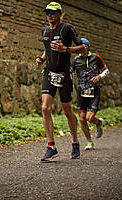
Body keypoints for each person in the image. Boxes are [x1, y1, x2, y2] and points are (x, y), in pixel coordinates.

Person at [36, 2, 86, 161]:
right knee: (45, 108)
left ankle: (75, 142)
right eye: (47, 12)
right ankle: (51, 146)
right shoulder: (44, 31)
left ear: (60, 13)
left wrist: (66, 49)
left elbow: (83, 48)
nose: (49, 15)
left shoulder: (67, 28)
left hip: (64, 75)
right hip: (49, 74)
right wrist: (41, 58)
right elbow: (47, 47)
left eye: (52, 12)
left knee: (67, 111)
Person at [71, 38, 109, 150]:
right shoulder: (76, 60)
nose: (81, 48)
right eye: (79, 46)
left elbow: (106, 70)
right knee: (82, 119)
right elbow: (71, 73)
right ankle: (89, 142)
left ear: (88, 46)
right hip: (81, 92)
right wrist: (71, 83)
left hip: (94, 91)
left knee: (89, 117)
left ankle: (98, 123)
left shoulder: (96, 57)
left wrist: (99, 76)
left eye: (83, 46)